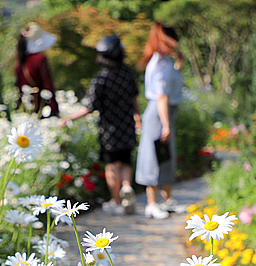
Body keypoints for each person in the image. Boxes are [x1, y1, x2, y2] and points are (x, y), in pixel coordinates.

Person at [60, 35, 141, 215]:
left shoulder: (101, 78)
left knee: (112, 164)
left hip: (109, 130)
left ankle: (118, 202)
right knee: (125, 161)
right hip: (127, 124)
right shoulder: (126, 72)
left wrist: (70, 118)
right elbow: (134, 98)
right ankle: (127, 186)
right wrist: (137, 117)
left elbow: (89, 107)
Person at [134, 23, 184, 220]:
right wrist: (165, 124)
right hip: (159, 115)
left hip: (166, 114)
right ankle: (152, 204)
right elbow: (161, 96)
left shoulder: (166, 62)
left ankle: (167, 200)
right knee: (154, 157)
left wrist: (179, 64)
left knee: (167, 157)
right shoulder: (159, 64)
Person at [15, 23, 60, 118]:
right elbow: (47, 85)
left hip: (26, 110)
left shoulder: (20, 62)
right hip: (41, 108)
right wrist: (54, 109)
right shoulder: (39, 59)